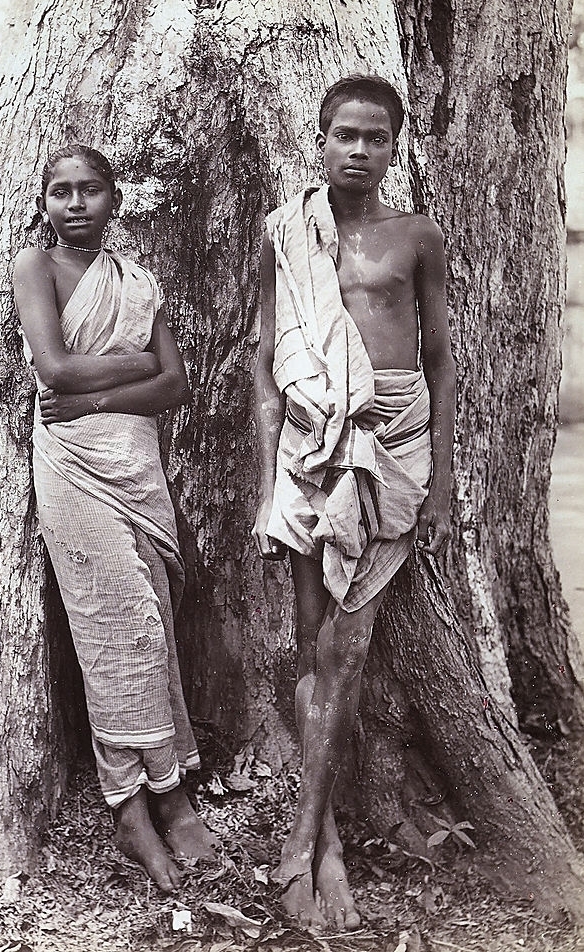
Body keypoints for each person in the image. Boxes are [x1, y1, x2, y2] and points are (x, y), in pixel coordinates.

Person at [252, 76, 456, 933]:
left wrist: (442, 474)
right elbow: (264, 364)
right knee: (311, 648)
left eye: (376, 136)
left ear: (395, 145)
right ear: (321, 139)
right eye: (345, 134)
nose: (359, 149)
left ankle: (300, 842)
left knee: (350, 649)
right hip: (308, 451)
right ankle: (322, 844)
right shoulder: (289, 236)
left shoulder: (416, 237)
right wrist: (271, 482)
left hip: (392, 445)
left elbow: (441, 359)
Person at [13, 144, 216, 893]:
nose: (75, 203)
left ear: (113, 200)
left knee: (153, 620)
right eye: (60, 191)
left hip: (137, 465)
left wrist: (103, 392)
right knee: (115, 624)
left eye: (89, 190)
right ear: (45, 204)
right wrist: (135, 366)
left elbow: (178, 386)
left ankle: (169, 784)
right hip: (74, 471)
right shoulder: (35, 267)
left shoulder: (137, 282)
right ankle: (140, 805)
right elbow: (54, 369)